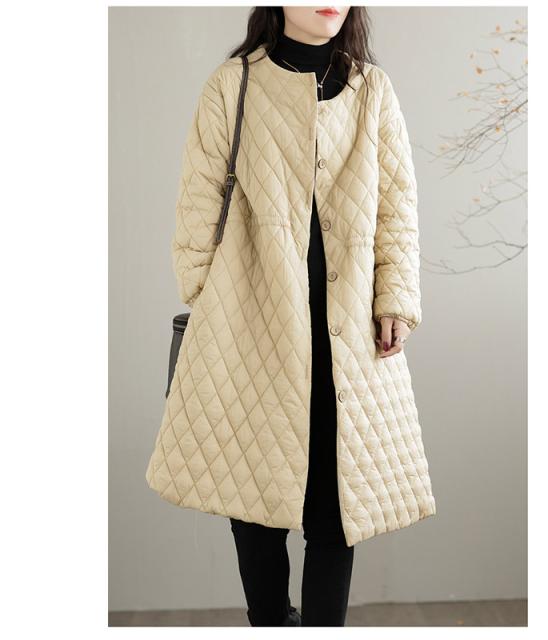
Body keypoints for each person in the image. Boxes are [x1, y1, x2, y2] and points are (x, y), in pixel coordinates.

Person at [145, 5, 437, 628]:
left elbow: (397, 206)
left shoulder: (372, 90)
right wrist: (210, 296)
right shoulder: (233, 85)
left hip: (346, 333)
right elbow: (198, 201)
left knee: (338, 503)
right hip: (252, 325)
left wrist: (395, 298)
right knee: (254, 499)